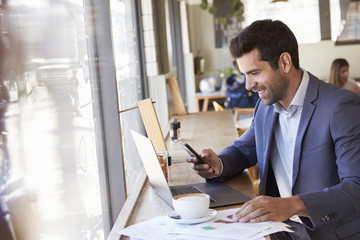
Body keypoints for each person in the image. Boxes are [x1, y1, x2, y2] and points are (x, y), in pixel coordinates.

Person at [187, 19, 360, 240]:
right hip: (280, 230)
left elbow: (356, 187)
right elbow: (245, 148)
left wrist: (293, 205)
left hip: (327, 232)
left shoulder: (340, 106)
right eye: (245, 75)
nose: (249, 85)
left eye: (255, 73)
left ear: (285, 62)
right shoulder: (266, 105)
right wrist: (218, 164)